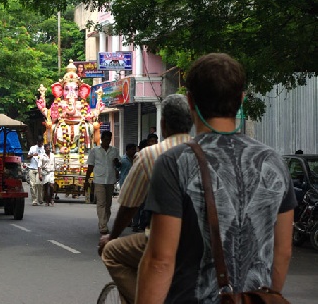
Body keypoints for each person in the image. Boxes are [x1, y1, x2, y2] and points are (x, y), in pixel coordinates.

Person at [136, 53, 296, 303]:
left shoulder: (175, 162)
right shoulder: (273, 162)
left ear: (190, 101)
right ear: (241, 99)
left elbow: (160, 260)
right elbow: (283, 251)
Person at [98, 94, 193, 304]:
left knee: (111, 251)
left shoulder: (151, 154)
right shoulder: (204, 153)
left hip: (161, 240)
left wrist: (112, 236)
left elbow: (129, 204)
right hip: (203, 241)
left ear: (163, 124)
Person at [84, 130, 120, 235]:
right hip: (99, 180)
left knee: (108, 204)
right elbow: (90, 167)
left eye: (109, 139)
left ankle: (103, 222)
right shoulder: (94, 151)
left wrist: (117, 165)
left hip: (110, 180)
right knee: (101, 203)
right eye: (106, 139)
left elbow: (118, 165)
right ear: (102, 139)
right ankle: (103, 225)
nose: (108, 141)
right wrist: (86, 181)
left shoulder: (114, 150)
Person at [28, 135, 45, 206]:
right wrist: (33, 155)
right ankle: (34, 200)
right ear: (37, 142)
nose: (40, 144)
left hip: (40, 169)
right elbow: (28, 156)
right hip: (32, 168)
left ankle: (40, 199)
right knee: (32, 184)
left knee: (39, 184)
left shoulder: (44, 149)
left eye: (41, 142)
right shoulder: (33, 148)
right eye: (39, 142)